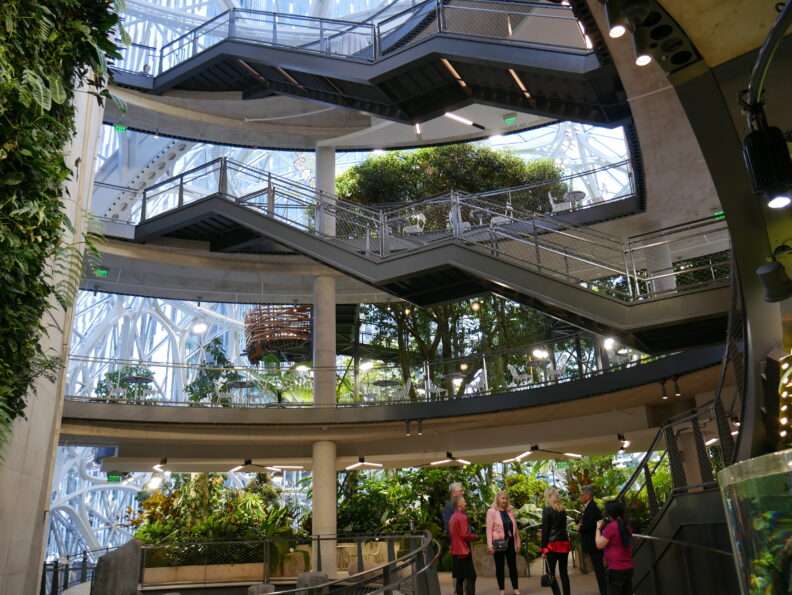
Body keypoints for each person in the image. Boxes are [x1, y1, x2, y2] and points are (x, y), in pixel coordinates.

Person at [486, 490, 521, 595]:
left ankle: (515, 588)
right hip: (499, 542)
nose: (505, 501)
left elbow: (515, 529)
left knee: (513, 566)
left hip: (510, 541)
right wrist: (490, 545)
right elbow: (489, 529)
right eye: (503, 498)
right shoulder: (492, 511)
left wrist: (517, 542)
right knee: (500, 566)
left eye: (506, 498)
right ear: (497, 499)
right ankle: (502, 589)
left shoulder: (510, 511)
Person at [595, 501, 633, 595]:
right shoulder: (627, 526)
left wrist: (598, 529)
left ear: (609, 513)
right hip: (628, 568)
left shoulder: (611, 527)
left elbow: (599, 544)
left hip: (615, 569)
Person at [541, 487, 571, 595]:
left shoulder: (547, 510)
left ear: (548, 497)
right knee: (564, 572)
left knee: (550, 573)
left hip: (552, 545)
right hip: (564, 544)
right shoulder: (563, 510)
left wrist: (543, 548)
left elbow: (545, 530)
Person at [578, 486, 607, 595]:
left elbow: (589, 525)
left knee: (599, 569)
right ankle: (604, 590)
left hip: (594, 544)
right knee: (598, 569)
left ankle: (605, 591)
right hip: (593, 543)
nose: (579, 497)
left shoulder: (592, 507)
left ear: (588, 496)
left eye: (581, 495)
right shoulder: (589, 507)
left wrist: (580, 527)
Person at [449, 495, 477, 595]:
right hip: (464, 551)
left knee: (460, 578)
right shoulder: (463, 517)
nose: (466, 503)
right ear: (459, 504)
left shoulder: (452, 517)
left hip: (455, 551)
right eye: (464, 501)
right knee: (471, 577)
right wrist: (474, 537)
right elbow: (465, 534)